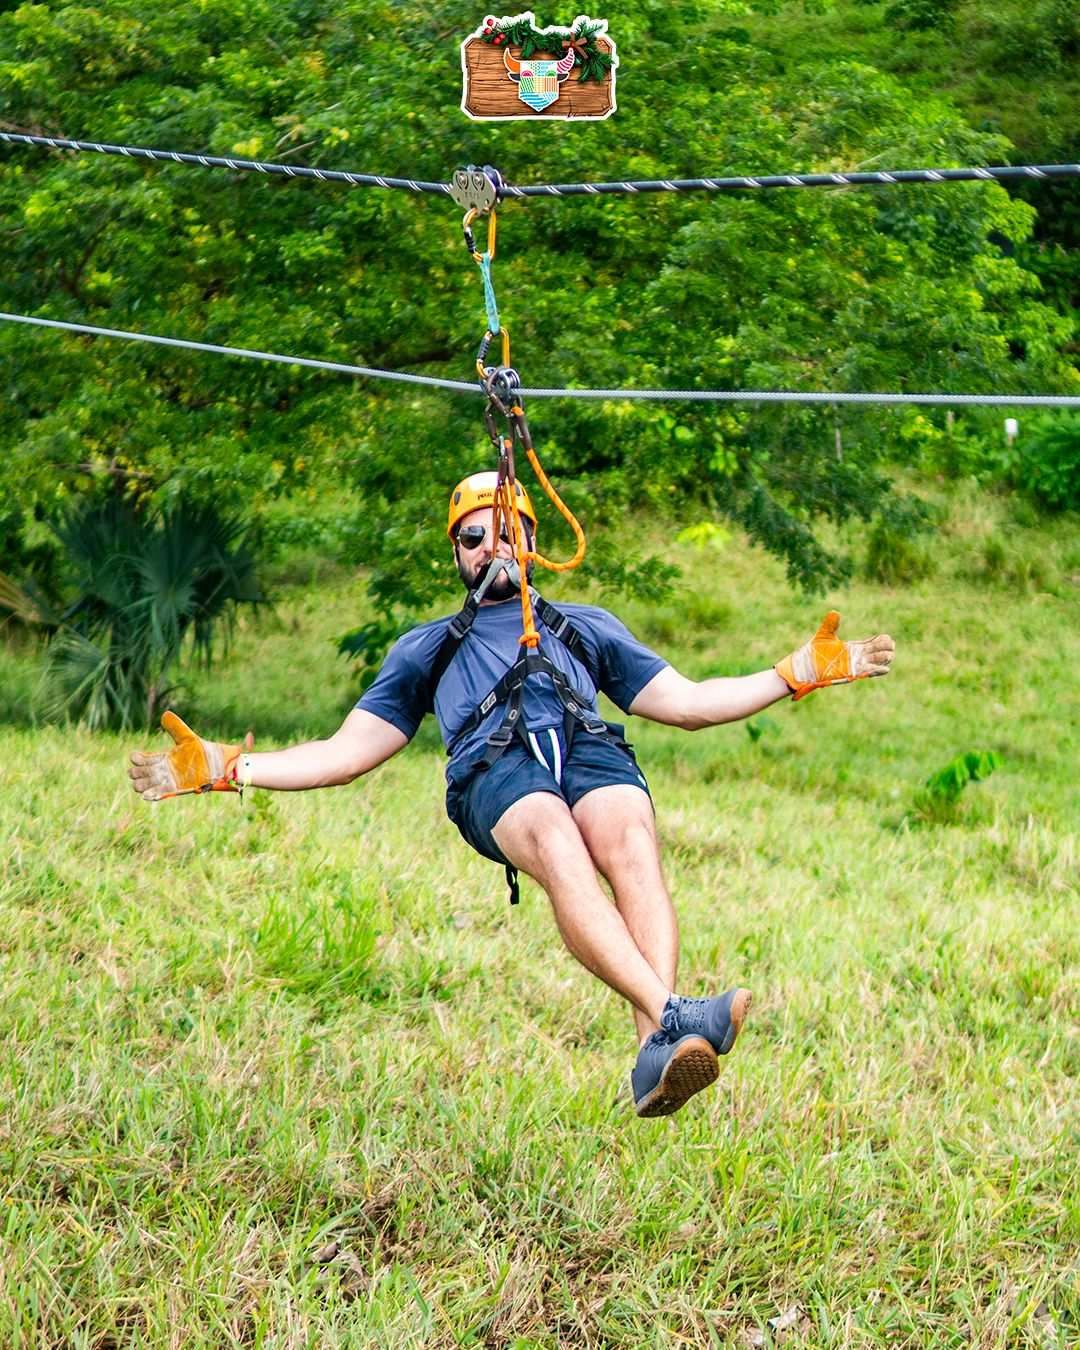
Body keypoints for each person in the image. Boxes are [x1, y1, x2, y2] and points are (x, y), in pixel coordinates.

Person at [129, 471, 895, 1118]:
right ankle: (672, 1016)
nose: (491, 546)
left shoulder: (586, 627)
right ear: (456, 555)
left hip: (586, 747)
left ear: (533, 541)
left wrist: (792, 674)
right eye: (473, 537)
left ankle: (653, 1051)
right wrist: (231, 769)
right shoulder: (427, 648)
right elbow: (343, 754)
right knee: (558, 841)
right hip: (495, 773)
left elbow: (688, 703)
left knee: (628, 837)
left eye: (506, 531)